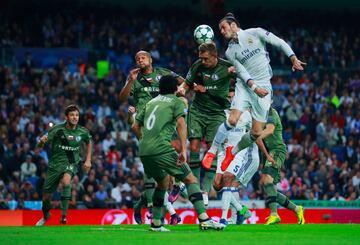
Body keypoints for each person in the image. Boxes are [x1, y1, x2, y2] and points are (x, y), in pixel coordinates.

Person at [202, 12, 306, 170]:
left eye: (223, 27)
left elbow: (278, 42)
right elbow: (242, 73)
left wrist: (292, 57)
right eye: (220, 30)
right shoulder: (230, 52)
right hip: (245, 86)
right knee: (232, 119)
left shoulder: (255, 33)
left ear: (233, 25)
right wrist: (254, 87)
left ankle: (233, 152)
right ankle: (212, 151)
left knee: (256, 133)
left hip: (264, 87)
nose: (221, 31)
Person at [132, 75, 224, 231]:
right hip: (161, 148)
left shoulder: (150, 102)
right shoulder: (176, 102)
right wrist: (183, 150)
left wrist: (145, 142)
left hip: (144, 150)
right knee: (190, 179)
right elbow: (181, 124)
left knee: (162, 183)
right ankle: (204, 219)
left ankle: (156, 223)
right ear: (175, 88)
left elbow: (135, 126)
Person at [119, 50, 184, 224]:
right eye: (137, 58)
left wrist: (181, 91)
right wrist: (130, 82)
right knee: (156, 170)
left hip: (165, 121)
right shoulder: (134, 78)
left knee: (167, 164)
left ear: (150, 59)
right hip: (144, 124)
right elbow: (122, 98)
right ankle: (168, 205)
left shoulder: (163, 73)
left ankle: (144, 203)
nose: (140, 60)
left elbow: (184, 82)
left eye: (143, 57)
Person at [174, 42, 234, 204]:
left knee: (211, 150)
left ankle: (205, 191)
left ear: (215, 57)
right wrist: (182, 90)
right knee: (193, 146)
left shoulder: (228, 67)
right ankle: (193, 183)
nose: (203, 61)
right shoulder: (197, 66)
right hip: (198, 111)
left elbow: (243, 79)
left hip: (217, 114)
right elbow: (187, 82)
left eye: (205, 58)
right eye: (200, 58)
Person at [36, 104, 92, 225]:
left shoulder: (82, 131)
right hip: (55, 166)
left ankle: (64, 216)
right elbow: (39, 147)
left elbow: (89, 141)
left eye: (77, 115)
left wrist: (88, 160)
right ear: (66, 117)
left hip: (71, 163)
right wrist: (41, 142)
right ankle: (46, 215)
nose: (75, 117)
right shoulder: (57, 129)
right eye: (72, 115)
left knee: (66, 182)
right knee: (46, 197)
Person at [255, 107, 305, 225]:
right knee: (269, 187)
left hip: (276, 150)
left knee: (268, 181)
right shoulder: (257, 112)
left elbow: (270, 130)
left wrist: (254, 136)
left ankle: (274, 214)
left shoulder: (270, 112)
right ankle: (297, 209)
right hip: (267, 152)